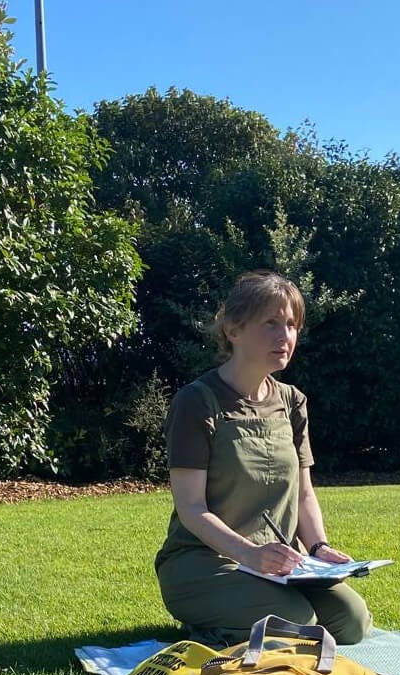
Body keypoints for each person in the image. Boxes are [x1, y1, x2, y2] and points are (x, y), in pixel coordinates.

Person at [154, 270, 373, 647]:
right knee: (296, 621)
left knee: (352, 622)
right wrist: (250, 554)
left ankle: (250, 617)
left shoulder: (292, 401)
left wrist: (319, 549)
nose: (284, 336)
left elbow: (304, 494)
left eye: (291, 325)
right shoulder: (197, 401)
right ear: (232, 330)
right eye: (270, 323)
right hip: (206, 562)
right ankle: (209, 629)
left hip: (282, 566)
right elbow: (191, 507)